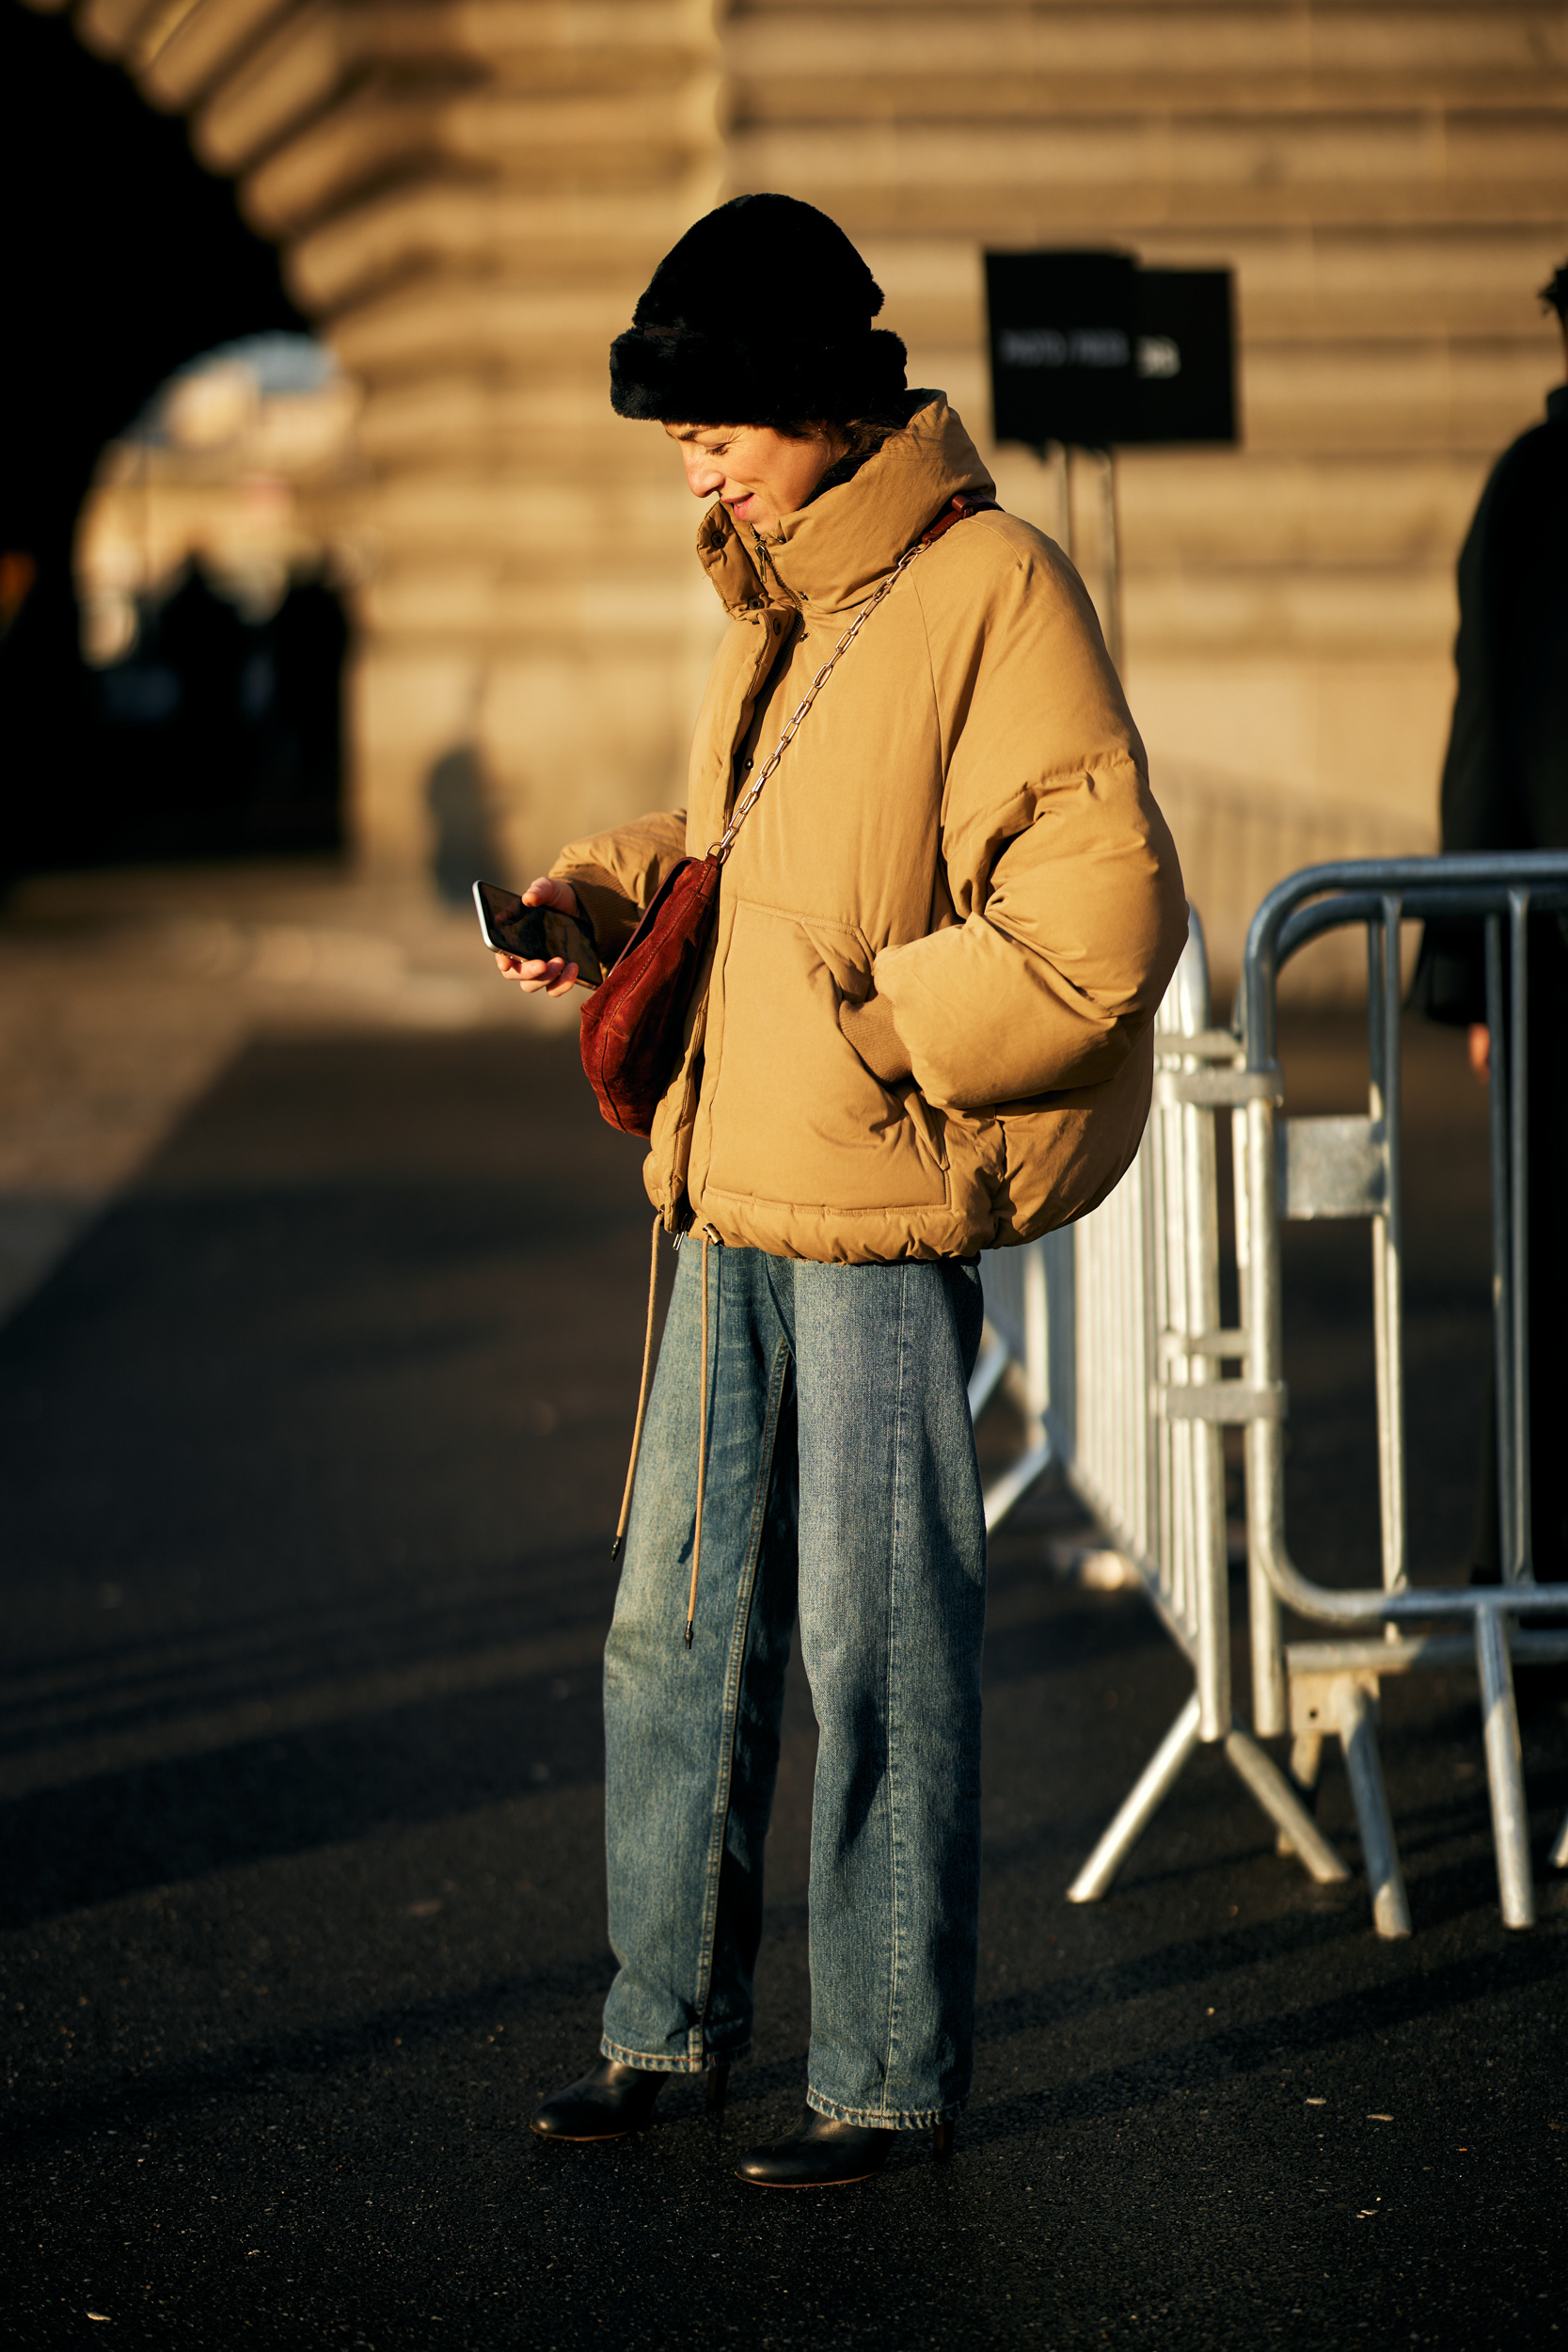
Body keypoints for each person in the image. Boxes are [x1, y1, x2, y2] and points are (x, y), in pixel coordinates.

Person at [495, 194, 1187, 2187]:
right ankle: (663, 2031)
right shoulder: (779, 593)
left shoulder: (995, 588)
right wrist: (611, 889)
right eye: (677, 434)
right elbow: (754, 846)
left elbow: (1099, 917)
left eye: (712, 424)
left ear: (814, 401)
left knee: (880, 1648)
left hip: (874, 1225)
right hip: (717, 1201)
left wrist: (880, 1033)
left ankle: (882, 2074)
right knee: (676, 1634)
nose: (691, 463)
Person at [1414, 259, 1568, 1583]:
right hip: (1542, 947)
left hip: (1546, 955)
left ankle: (1524, 1581)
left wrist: (1468, 965)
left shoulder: (1529, 487)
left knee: (1548, 1291)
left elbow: (1486, 741)